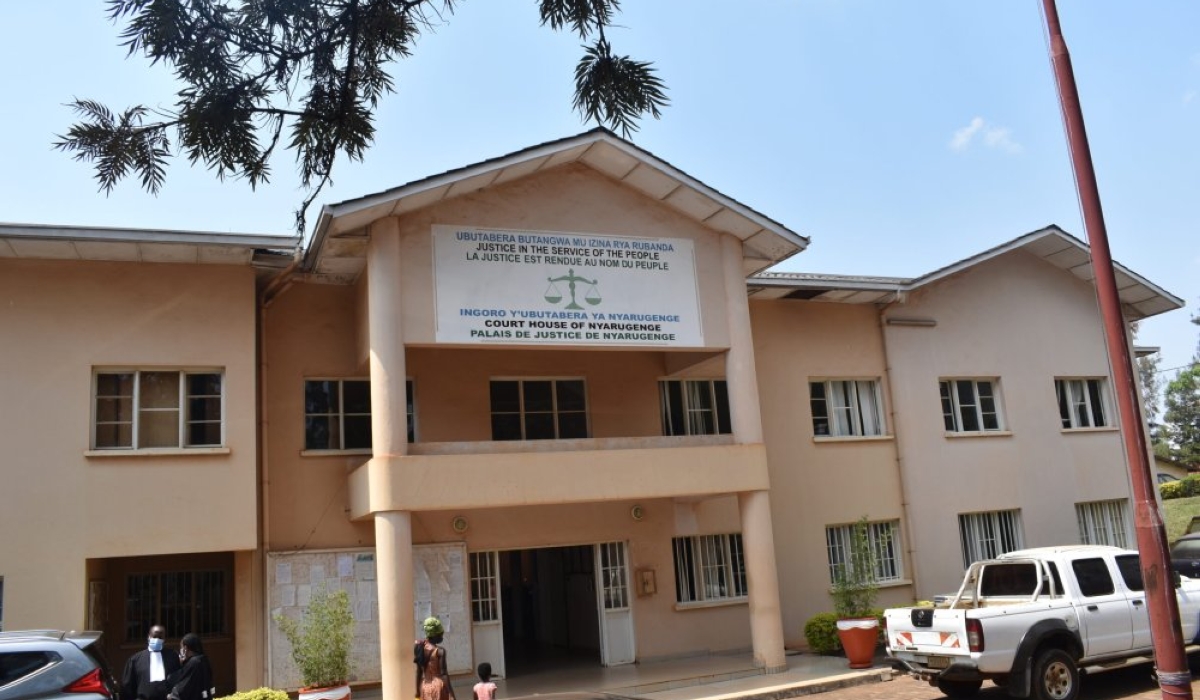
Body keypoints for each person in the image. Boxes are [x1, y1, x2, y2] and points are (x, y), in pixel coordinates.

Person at [122, 625, 182, 700]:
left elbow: (178, 679)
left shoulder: (172, 656)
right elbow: (128, 686)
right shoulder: (135, 659)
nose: (157, 639)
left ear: (164, 639)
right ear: (149, 637)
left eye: (160, 637)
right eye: (155, 636)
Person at [414, 617, 456, 700]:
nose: (442, 636)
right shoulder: (440, 651)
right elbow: (444, 674)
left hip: (424, 687)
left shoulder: (419, 648)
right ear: (434, 635)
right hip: (438, 688)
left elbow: (418, 672)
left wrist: (417, 692)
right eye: (440, 634)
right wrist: (451, 694)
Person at [167, 633, 215, 700]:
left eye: (181, 647)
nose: (180, 650)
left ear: (185, 648)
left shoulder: (194, 662)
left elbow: (183, 686)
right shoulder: (204, 659)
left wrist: (171, 696)